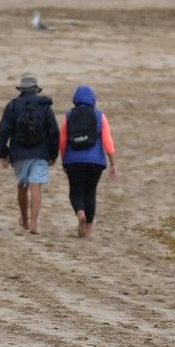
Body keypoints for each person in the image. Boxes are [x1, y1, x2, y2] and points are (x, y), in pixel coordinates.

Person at [0, 75, 60, 235]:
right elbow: (54, 131)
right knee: (36, 185)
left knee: (22, 185)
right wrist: (53, 154)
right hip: (40, 153)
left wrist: (3, 152)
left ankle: (24, 219)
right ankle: (34, 223)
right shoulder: (45, 106)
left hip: (19, 153)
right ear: (36, 89)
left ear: (21, 90)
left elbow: (3, 131)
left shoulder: (13, 105)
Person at [59, 85, 117, 238]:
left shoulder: (69, 115)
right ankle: (88, 228)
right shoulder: (99, 116)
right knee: (90, 193)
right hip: (95, 162)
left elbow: (63, 140)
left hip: (73, 161)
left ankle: (80, 215)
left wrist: (64, 160)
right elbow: (107, 140)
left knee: (75, 192)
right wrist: (113, 162)